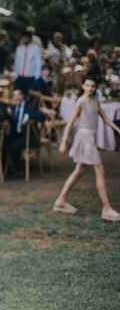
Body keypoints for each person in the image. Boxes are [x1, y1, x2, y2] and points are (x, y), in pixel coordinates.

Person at [54, 78, 120, 222]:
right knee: (99, 170)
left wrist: (118, 129)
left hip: (91, 138)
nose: (90, 88)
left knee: (79, 170)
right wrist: (64, 142)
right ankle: (106, 208)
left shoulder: (95, 101)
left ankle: (60, 201)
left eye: (92, 86)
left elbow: (106, 119)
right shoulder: (81, 101)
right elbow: (70, 122)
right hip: (84, 138)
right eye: (87, 85)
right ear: (83, 86)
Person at [4, 88, 45, 179]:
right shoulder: (13, 107)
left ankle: (17, 171)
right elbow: (13, 123)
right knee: (3, 142)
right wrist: (9, 115)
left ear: (22, 96)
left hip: (28, 137)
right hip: (16, 135)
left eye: (17, 95)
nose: (15, 97)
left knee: (13, 147)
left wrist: (29, 116)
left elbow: (42, 117)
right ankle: (8, 170)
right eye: (14, 95)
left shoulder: (29, 106)